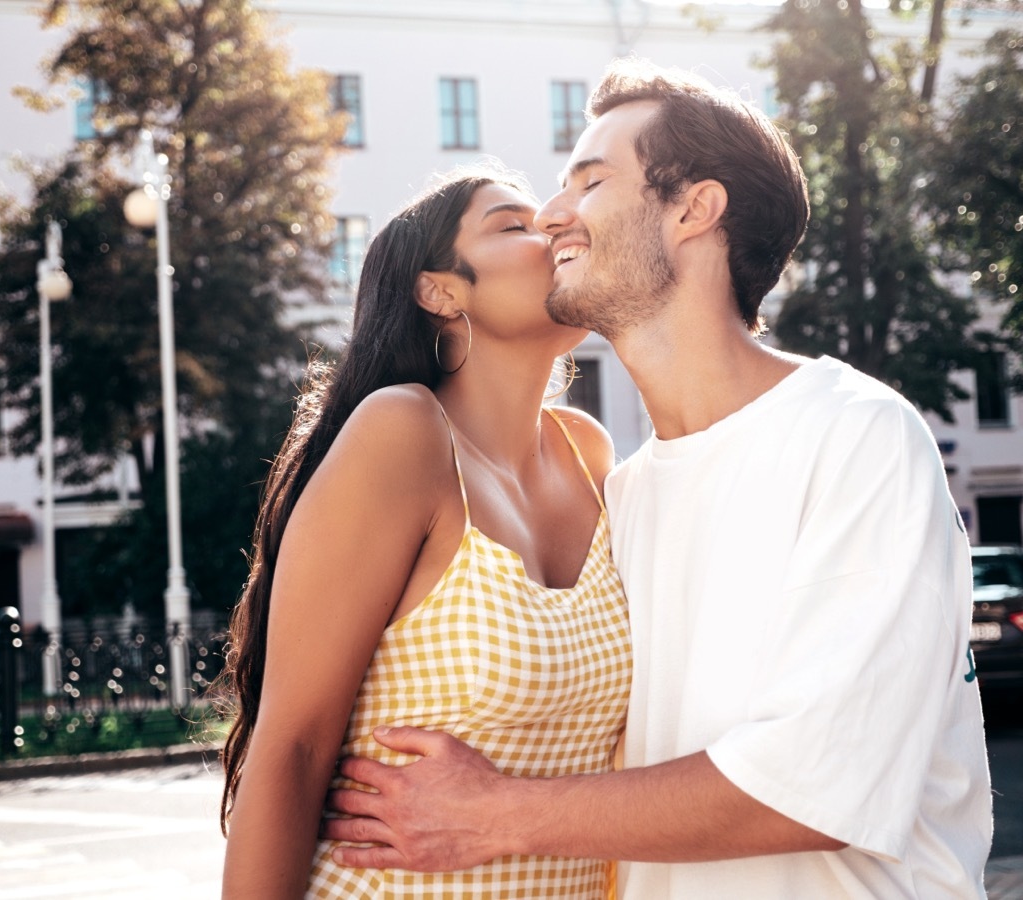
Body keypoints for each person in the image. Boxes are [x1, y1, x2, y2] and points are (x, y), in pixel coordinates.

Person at [323, 59, 994, 898]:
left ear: (693, 208)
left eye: (591, 181)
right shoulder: (623, 496)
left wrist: (497, 813)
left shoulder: (855, 435)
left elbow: (817, 783)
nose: (554, 215)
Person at [215, 166, 634, 898]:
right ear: (440, 290)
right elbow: (293, 747)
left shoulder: (588, 452)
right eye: (515, 225)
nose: (556, 232)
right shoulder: (403, 433)